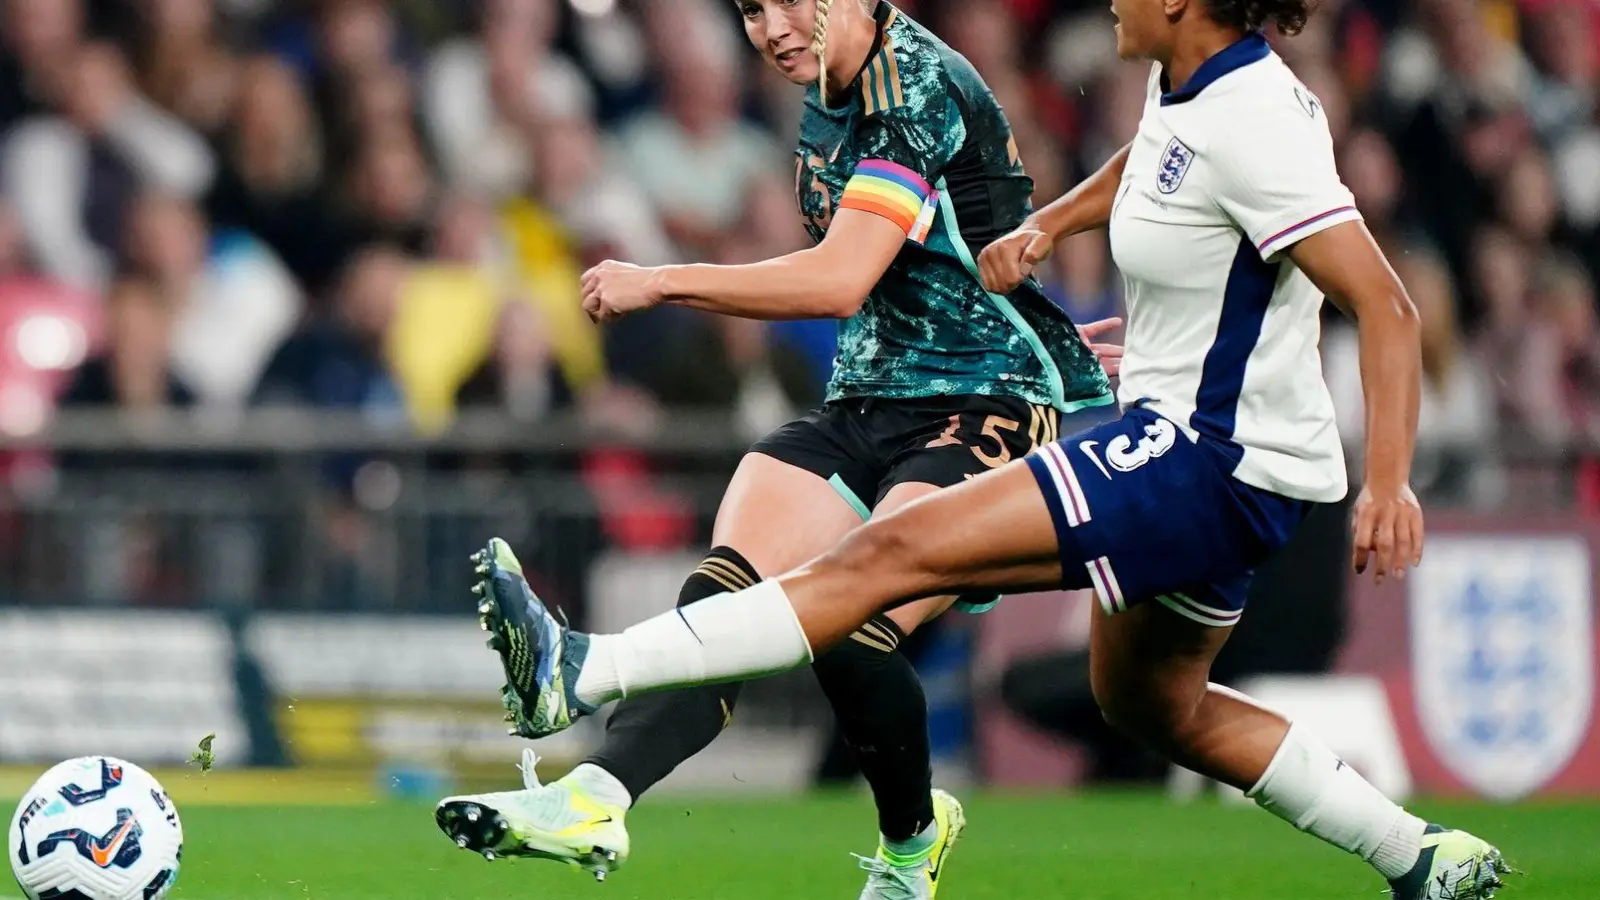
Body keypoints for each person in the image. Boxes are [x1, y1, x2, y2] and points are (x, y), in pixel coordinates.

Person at [443, 1, 1520, 898]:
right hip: (1185, 453)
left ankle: (588, 669)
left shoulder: (1252, 118)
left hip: (1197, 457)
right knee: (1152, 705)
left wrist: (1388, 484)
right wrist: (1052, 226)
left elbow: (1386, 306)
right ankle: (1416, 854)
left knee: (880, 562)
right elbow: (1156, 160)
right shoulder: (1191, 85)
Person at [434, 1, 1124, 897]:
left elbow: (841, 279)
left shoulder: (909, 85)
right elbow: (951, 246)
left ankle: (912, 844)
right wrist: (1044, 325)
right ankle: (592, 799)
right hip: (865, 400)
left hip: (982, 409)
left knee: (851, 627)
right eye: (752, 9)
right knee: (721, 601)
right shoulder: (829, 86)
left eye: (789, 0)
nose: (771, 27)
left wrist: (661, 280)